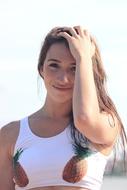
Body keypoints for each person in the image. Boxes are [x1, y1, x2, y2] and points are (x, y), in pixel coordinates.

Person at [0, 26, 126, 190]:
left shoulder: (107, 123)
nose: (63, 78)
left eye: (74, 68)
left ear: (87, 71)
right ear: (41, 69)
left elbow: (84, 118)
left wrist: (83, 57)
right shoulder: (11, 134)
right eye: (54, 65)